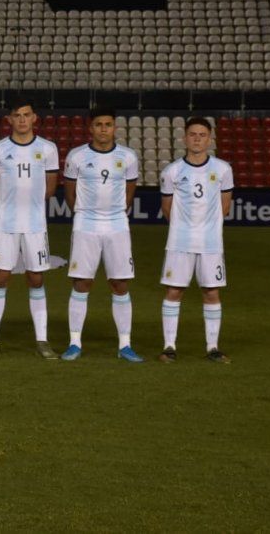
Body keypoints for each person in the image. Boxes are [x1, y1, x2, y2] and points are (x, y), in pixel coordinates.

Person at [61, 107, 144, 362]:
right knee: (82, 282)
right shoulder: (77, 156)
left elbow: (130, 191)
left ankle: (125, 345)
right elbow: (70, 192)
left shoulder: (128, 157)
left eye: (108, 124)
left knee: (119, 283)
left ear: (114, 127)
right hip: (86, 224)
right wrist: (84, 213)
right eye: (99, 124)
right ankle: (75, 343)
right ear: (91, 128)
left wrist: (116, 212)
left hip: (117, 224)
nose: (104, 129)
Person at [0, 97, 59, 359]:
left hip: (35, 225)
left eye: (27, 115)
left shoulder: (48, 149)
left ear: (34, 118)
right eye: (17, 115)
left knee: (36, 279)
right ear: (10, 120)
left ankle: (42, 340)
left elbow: (49, 187)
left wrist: (30, 207)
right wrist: (4, 208)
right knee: (0, 279)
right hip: (6, 225)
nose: (23, 120)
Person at [158, 117, 233, 364]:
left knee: (211, 292)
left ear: (209, 139)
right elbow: (167, 209)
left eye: (202, 135)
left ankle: (212, 347)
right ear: (185, 138)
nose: (197, 139)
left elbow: (224, 207)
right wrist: (185, 229)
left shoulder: (223, 169)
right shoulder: (172, 171)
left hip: (211, 243)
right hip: (180, 242)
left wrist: (207, 228)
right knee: (174, 290)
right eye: (193, 134)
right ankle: (169, 346)